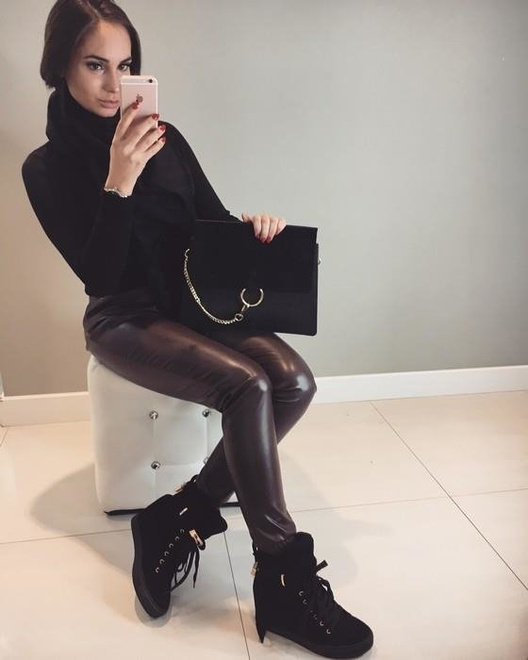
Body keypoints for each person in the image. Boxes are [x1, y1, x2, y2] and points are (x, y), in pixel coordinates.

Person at [21, 1, 374, 657]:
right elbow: (100, 276)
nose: (112, 83)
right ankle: (282, 575)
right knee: (247, 385)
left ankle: (176, 516)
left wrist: (252, 228)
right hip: (122, 317)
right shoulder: (45, 167)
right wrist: (118, 184)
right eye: (94, 65)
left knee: (293, 381)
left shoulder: (165, 137)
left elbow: (209, 225)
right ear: (60, 66)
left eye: (125, 65)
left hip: (191, 303)